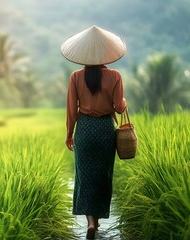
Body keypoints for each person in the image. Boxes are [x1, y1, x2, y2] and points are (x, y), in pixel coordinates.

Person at [61, 25, 127, 239]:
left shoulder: (75, 77)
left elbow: (72, 110)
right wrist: (123, 102)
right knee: (102, 174)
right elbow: (119, 107)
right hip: (105, 130)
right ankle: (96, 221)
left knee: (85, 175)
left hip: (85, 130)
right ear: (106, 53)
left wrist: (69, 134)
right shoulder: (115, 76)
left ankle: (90, 222)